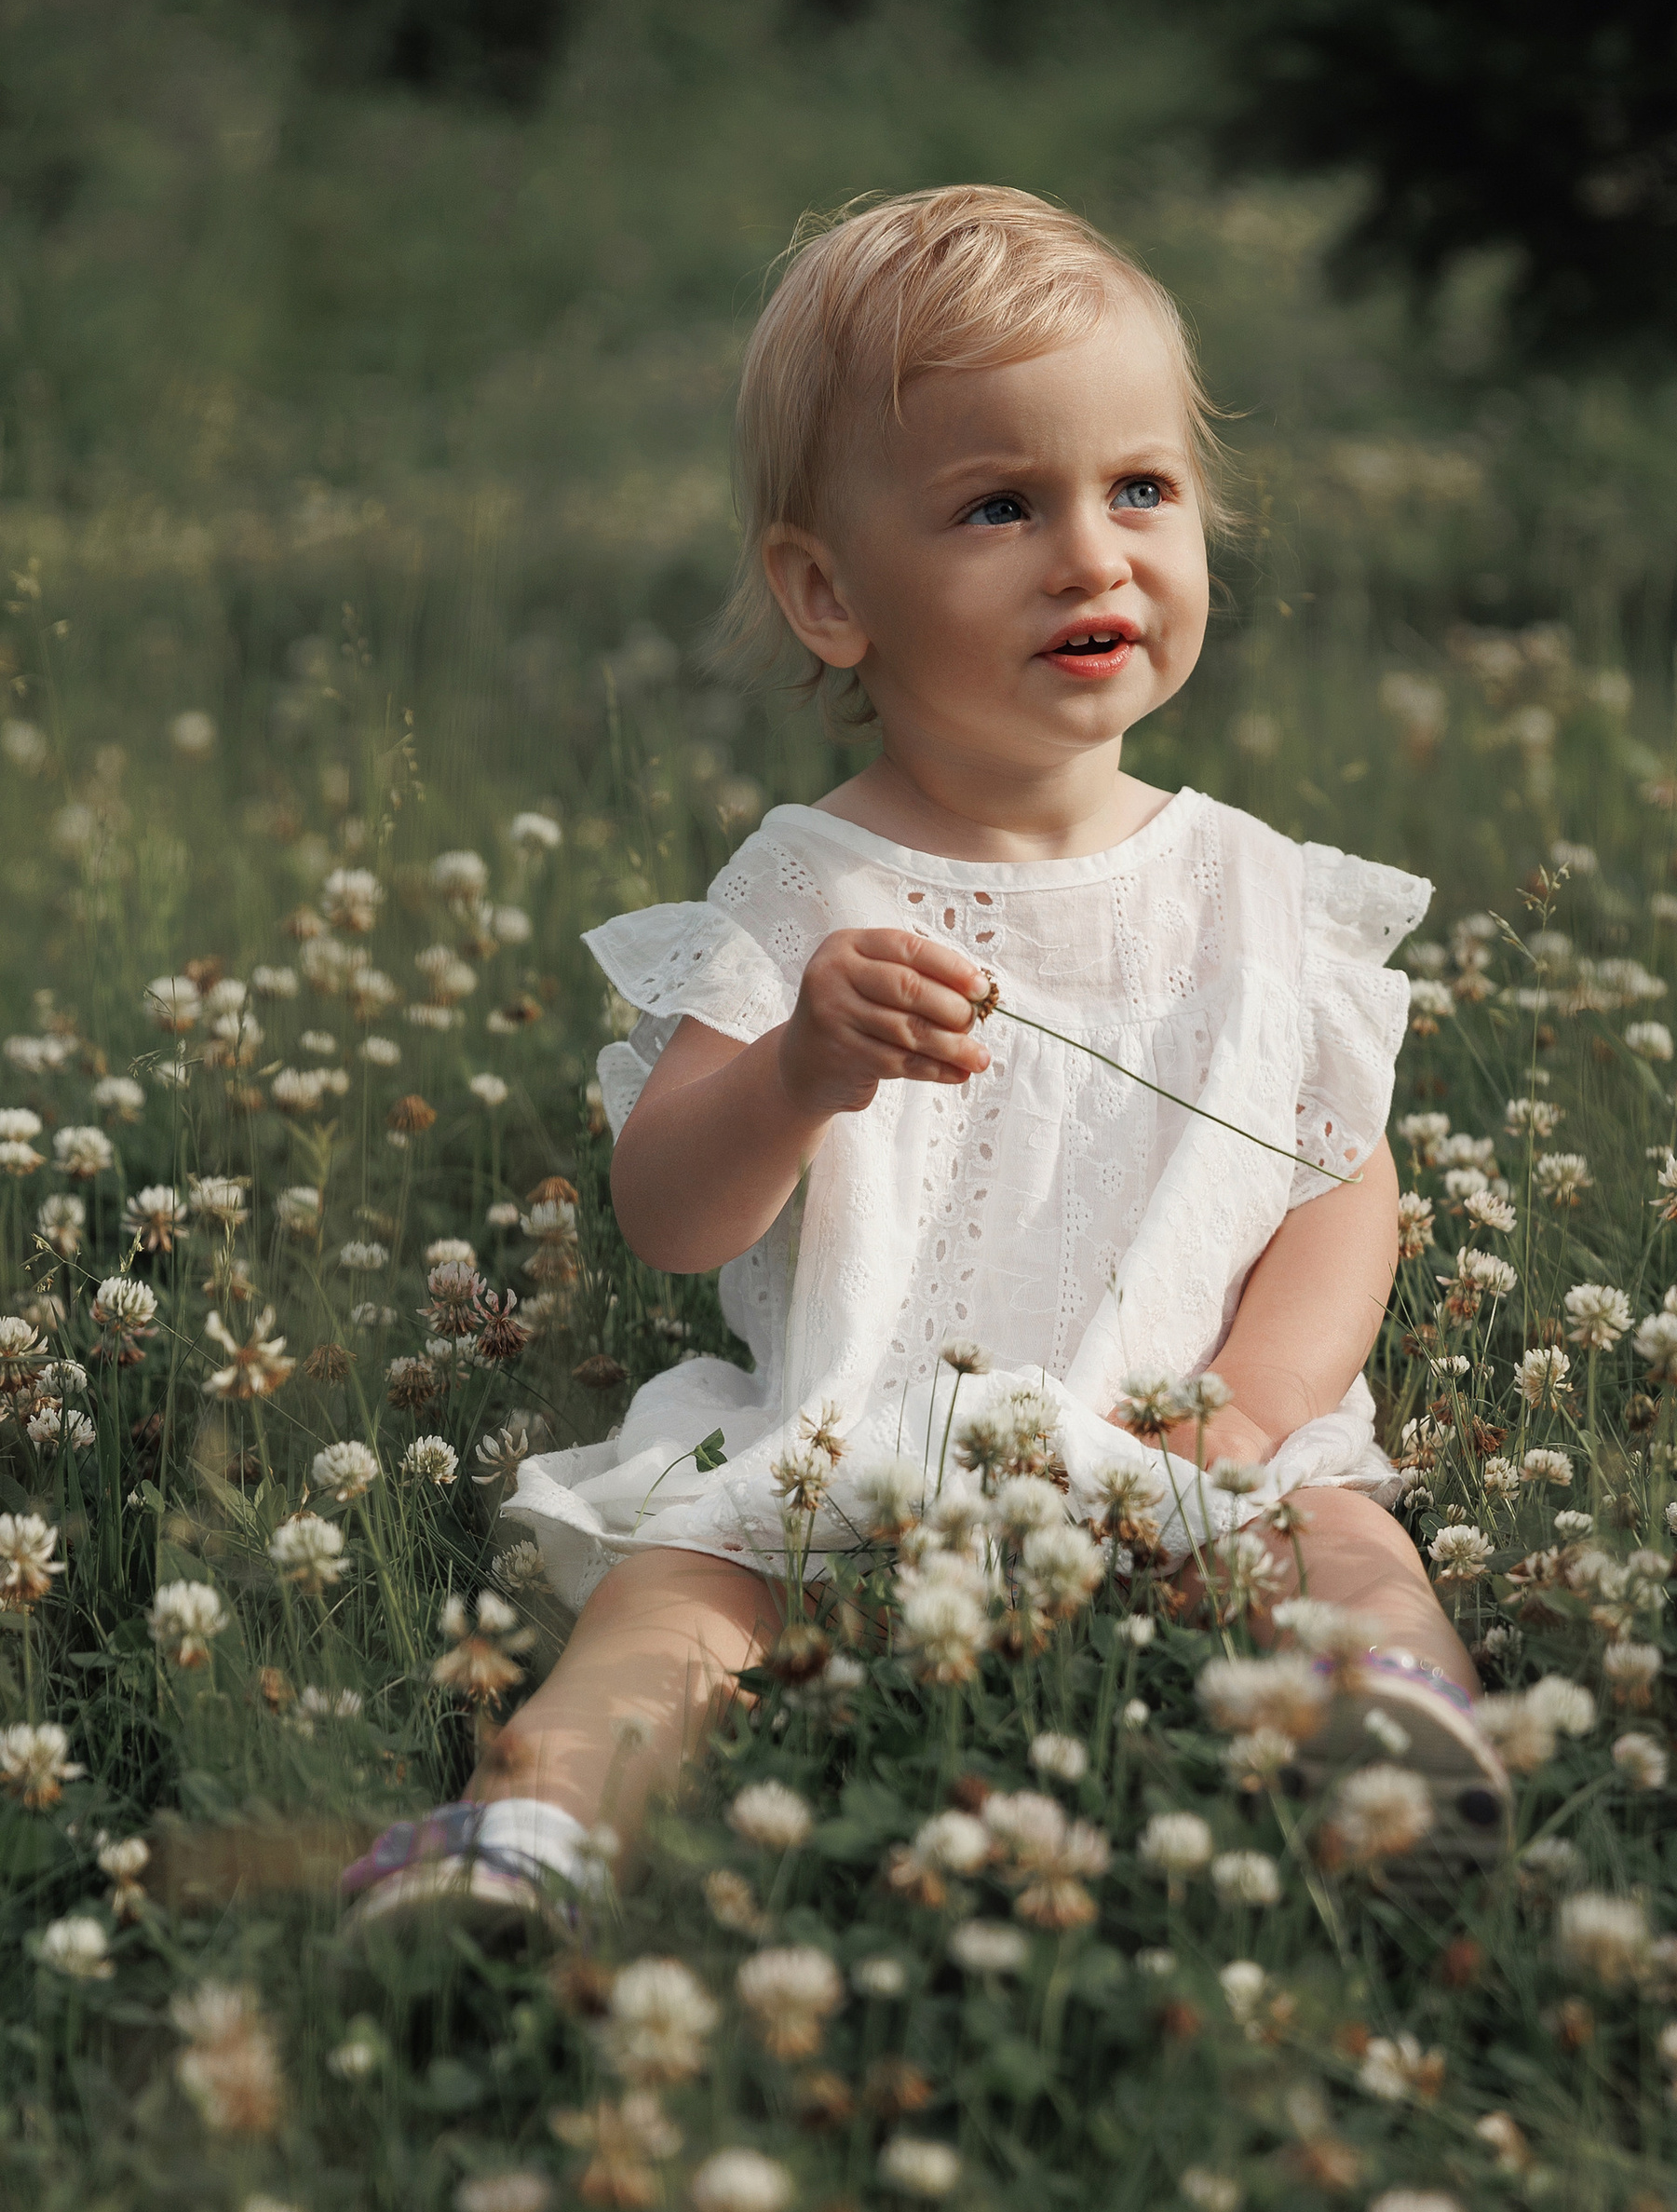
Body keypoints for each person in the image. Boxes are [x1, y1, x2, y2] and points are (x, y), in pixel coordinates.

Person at [343, 187, 1504, 1932]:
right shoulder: (811, 888)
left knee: (1343, 1544)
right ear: (828, 593)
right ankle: (542, 1827)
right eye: (997, 506)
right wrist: (798, 1067)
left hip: (1183, 1435)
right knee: (677, 1604)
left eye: (1142, 489)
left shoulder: (1258, 891)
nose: (1093, 555)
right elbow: (667, 1211)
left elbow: (1346, 1181)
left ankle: (1393, 1722)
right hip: (847, 1435)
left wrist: (1250, 1417)